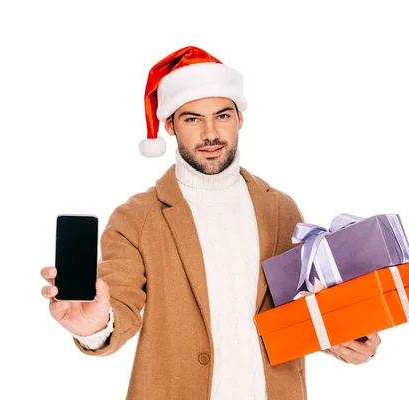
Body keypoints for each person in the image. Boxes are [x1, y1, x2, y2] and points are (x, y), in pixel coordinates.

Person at [40, 46, 381, 400]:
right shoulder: (136, 217)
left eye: (222, 116)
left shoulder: (280, 208)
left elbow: (296, 308)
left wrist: (348, 338)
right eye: (192, 119)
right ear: (170, 125)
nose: (211, 134)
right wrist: (95, 326)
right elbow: (121, 302)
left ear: (240, 119)